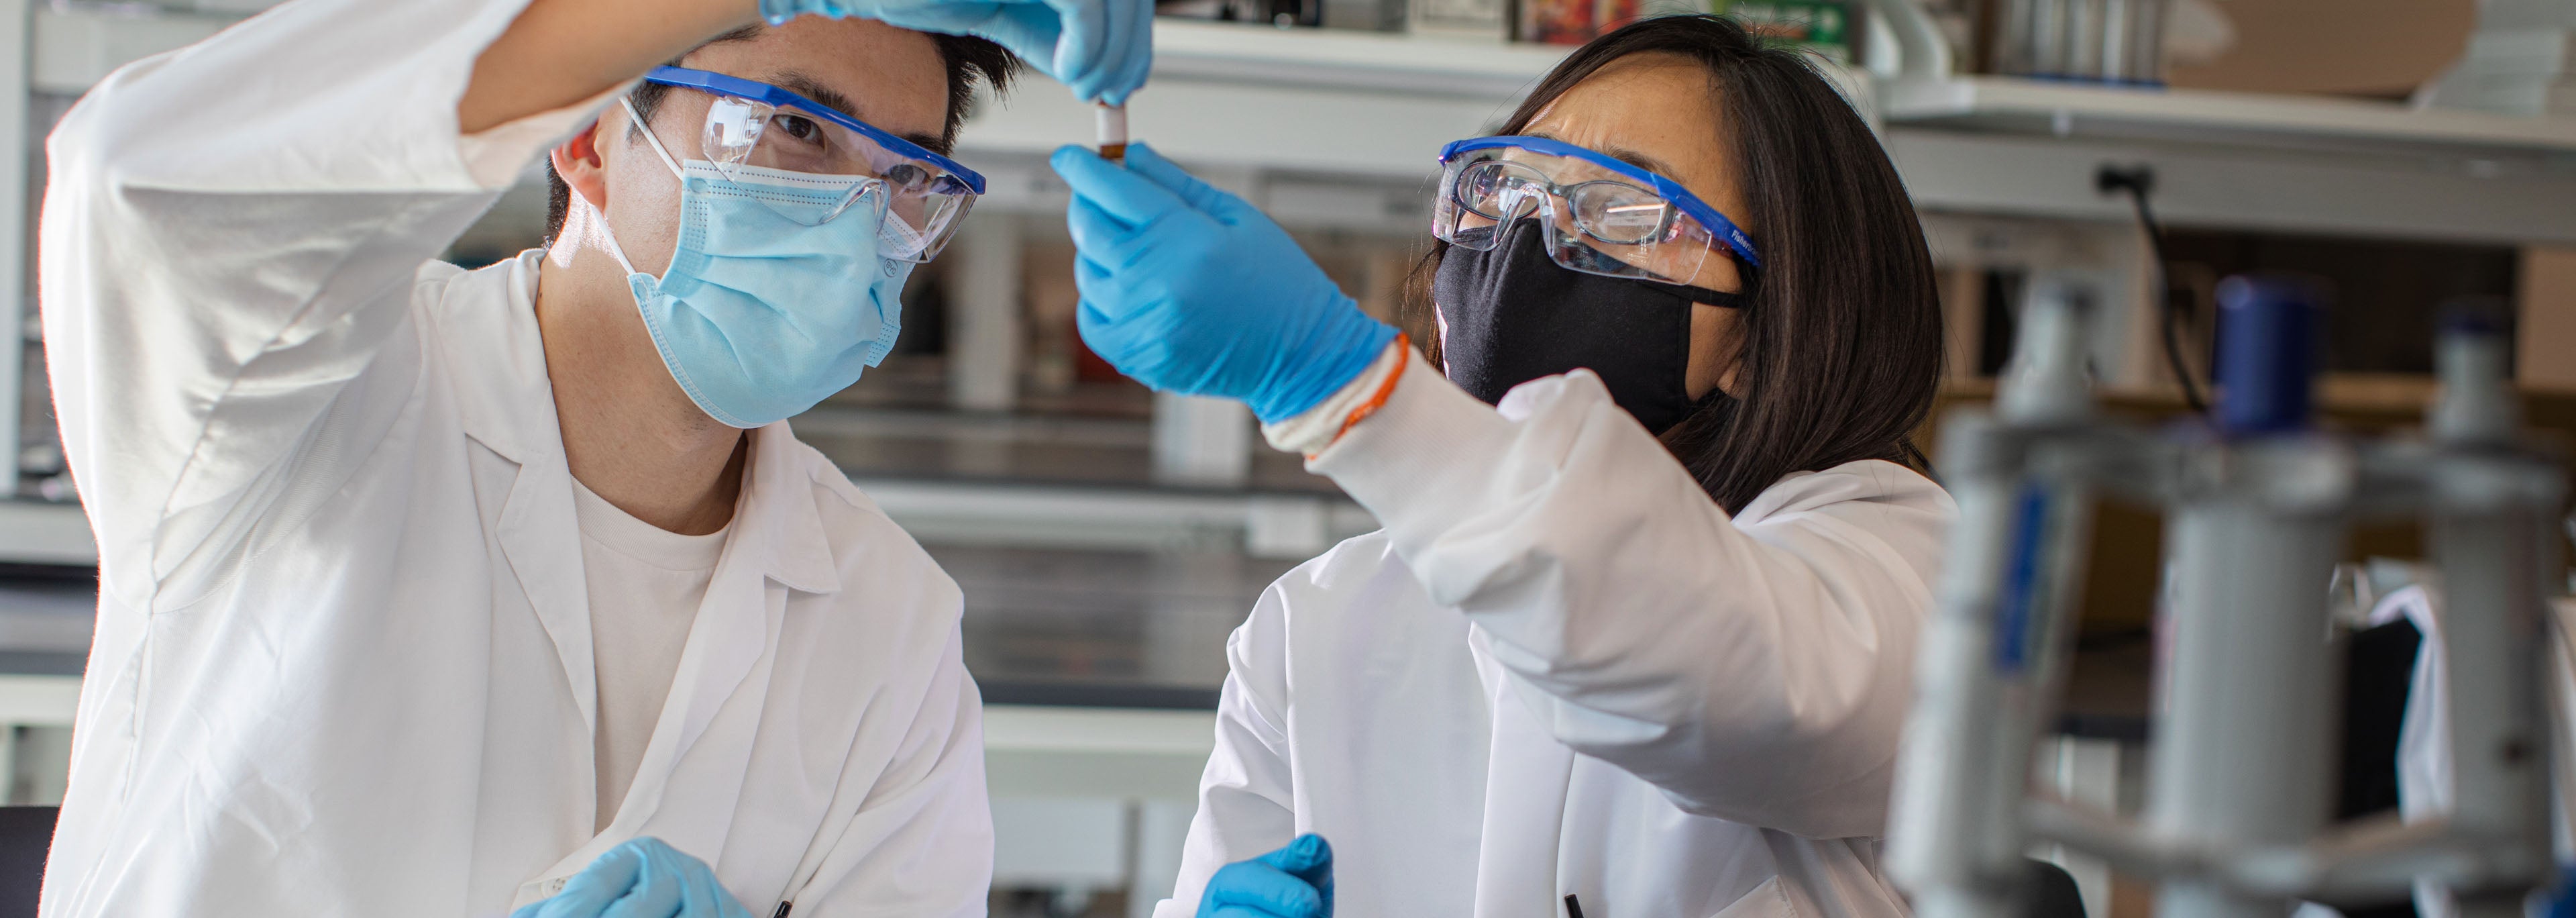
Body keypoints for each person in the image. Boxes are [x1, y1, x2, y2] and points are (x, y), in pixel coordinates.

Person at [36, 0, 1146, 913]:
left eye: (907, 178)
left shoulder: (892, 628)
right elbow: (131, 177)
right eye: (799, 129)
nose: (854, 220)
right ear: (586, 137)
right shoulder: (305, 403)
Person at [1052, 15, 1949, 917]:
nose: (1526, 238)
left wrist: (1336, 380)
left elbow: (1723, 681)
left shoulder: (1887, 569)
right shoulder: (1316, 625)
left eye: (1621, 211)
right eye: (1504, 187)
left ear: (1763, 328)